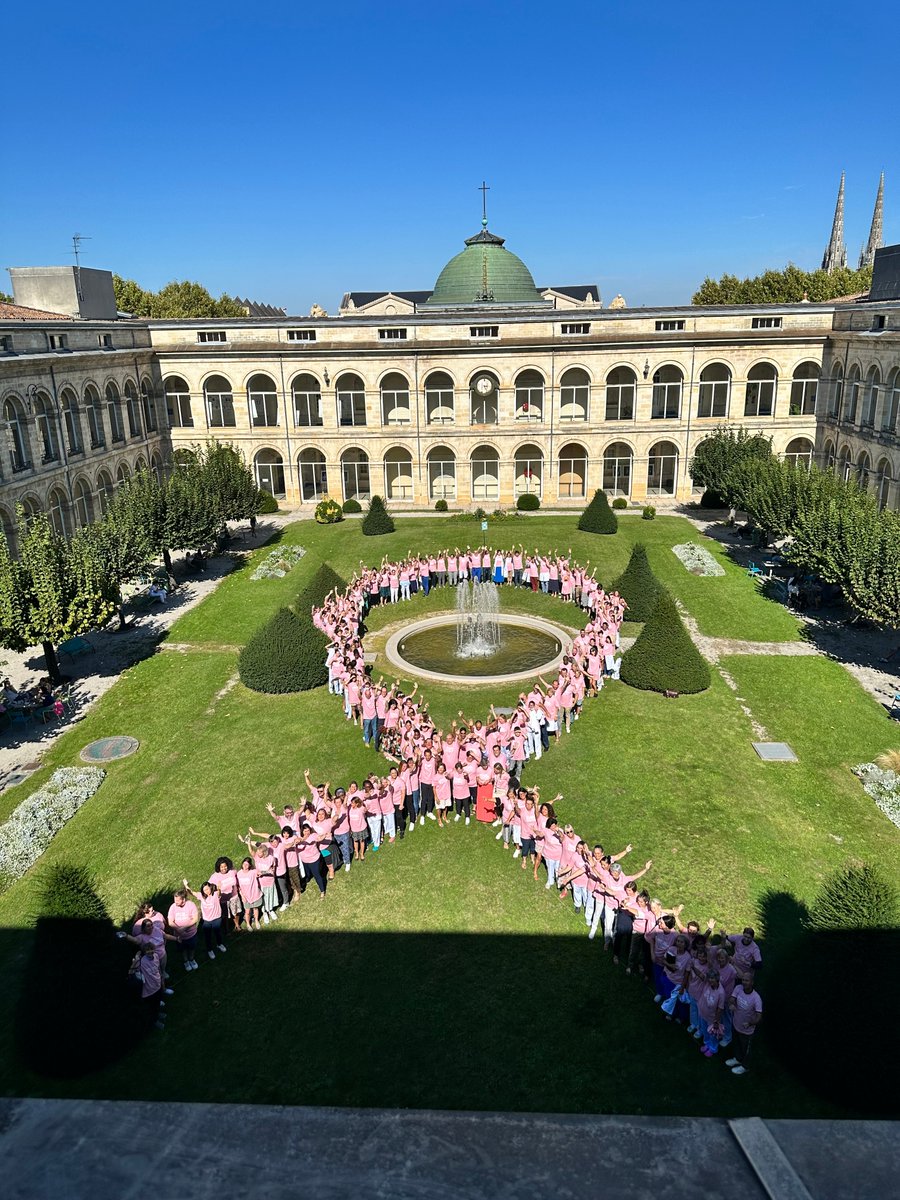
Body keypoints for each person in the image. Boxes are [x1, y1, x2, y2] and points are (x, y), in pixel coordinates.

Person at [726, 974, 763, 1075]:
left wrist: (750, 1023)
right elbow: (732, 999)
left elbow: (759, 1017)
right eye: (743, 980)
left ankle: (745, 1066)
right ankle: (737, 1059)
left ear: (752, 982)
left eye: (747, 981)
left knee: (746, 1049)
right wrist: (731, 1004)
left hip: (747, 1031)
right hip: (736, 1024)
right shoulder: (738, 988)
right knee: (736, 1044)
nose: (744, 982)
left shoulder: (756, 998)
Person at [183, 879, 227, 959]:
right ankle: (210, 950)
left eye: (207, 889)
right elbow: (191, 892)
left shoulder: (216, 894)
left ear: (210, 888)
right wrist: (186, 886)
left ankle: (219, 944)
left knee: (218, 933)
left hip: (216, 918)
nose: (206, 891)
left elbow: (219, 893)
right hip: (206, 920)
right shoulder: (201, 896)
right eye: (204, 890)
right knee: (208, 936)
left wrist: (219, 887)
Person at [167, 888, 200, 971]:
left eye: (177, 900)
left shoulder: (191, 905)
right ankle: (186, 961)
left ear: (183, 899)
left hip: (191, 934)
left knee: (192, 948)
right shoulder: (173, 907)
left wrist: (185, 927)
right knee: (183, 949)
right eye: (175, 900)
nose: (175, 902)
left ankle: (191, 959)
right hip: (179, 936)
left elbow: (195, 919)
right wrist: (178, 929)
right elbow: (170, 922)